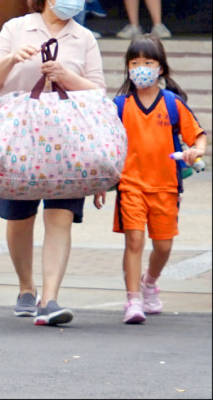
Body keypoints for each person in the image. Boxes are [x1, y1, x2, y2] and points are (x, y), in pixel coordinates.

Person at [0, 0, 106, 326]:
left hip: (69, 142)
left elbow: (98, 92)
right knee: (20, 218)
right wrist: (11, 61)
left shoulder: (84, 39)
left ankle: (50, 299)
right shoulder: (17, 29)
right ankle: (26, 286)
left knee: (60, 217)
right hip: (20, 140)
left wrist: (67, 76)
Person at [93, 35, 206, 324]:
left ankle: (150, 282)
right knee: (134, 240)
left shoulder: (173, 104)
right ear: (127, 67)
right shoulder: (118, 105)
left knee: (164, 245)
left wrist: (196, 151)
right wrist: (100, 184)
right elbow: (106, 148)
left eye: (148, 62)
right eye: (134, 62)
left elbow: (198, 136)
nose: (141, 67)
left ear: (160, 68)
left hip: (166, 186)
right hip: (130, 186)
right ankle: (133, 301)